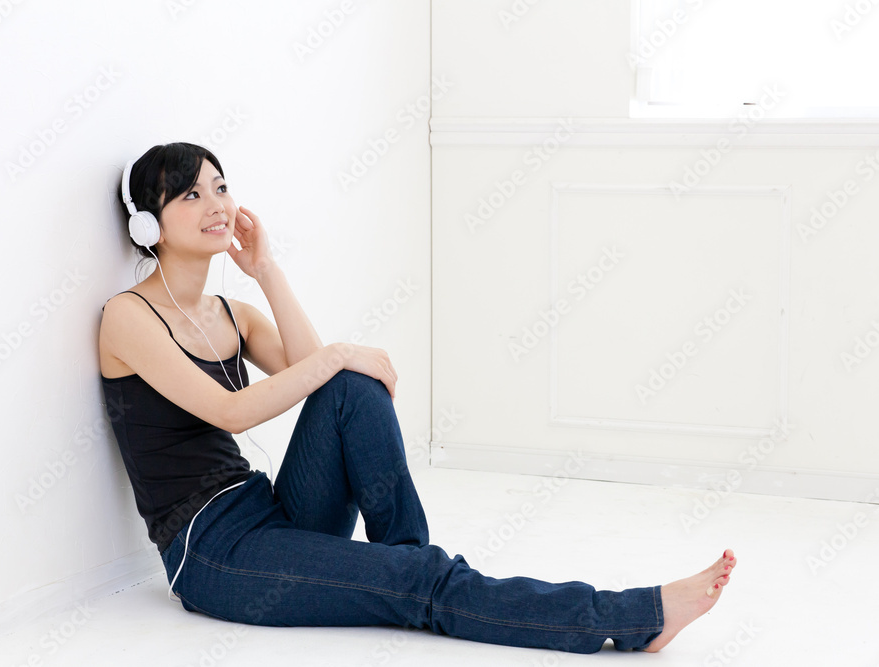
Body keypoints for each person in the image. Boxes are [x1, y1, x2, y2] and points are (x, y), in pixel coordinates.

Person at [97, 142, 736, 654]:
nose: (216, 203)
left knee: (352, 384)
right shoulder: (128, 318)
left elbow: (321, 377)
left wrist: (267, 270)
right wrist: (340, 354)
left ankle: (413, 570)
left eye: (221, 186)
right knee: (350, 380)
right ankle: (633, 618)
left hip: (270, 510)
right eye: (191, 193)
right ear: (149, 223)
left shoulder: (230, 312)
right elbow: (232, 411)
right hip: (213, 552)